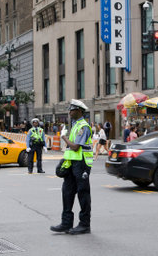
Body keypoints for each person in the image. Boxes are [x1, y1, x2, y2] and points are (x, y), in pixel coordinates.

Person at [51, 99, 93, 235]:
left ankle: (85, 224)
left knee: (83, 193)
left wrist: (63, 137)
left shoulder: (84, 127)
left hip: (82, 164)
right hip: (71, 163)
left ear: (79, 111)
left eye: (72, 109)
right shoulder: (75, 125)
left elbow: (75, 147)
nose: (69, 111)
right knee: (67, 193)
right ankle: (66, 223)